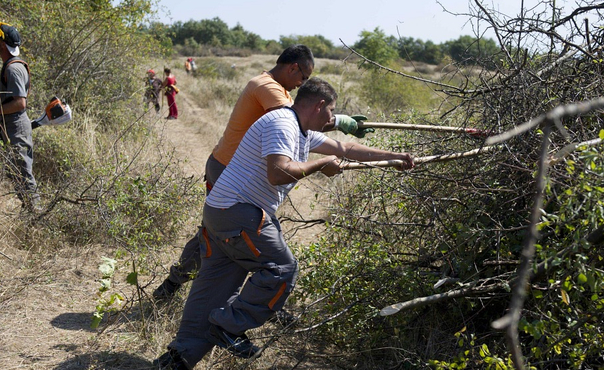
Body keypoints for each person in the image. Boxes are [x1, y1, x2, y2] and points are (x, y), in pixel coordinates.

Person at [154, 77, 414, 369]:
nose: (332, 118)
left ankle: (177, 359)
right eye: (332, 112)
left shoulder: (301, 130)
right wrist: (320, 165)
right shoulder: (282, 124)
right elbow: (278, 173)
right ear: (319, 105)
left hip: (222, 214)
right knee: (281, 269)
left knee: (211, 290)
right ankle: (228, 327)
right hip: (239, 212)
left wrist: (396, 158)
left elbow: (345, 148)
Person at [152, 45, 375, 300]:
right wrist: (339, 122)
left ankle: (257, 295)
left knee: (233, 235)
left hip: (238, 168)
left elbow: (303, 123)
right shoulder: (266, 86)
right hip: (227, 169)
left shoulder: (276, 88)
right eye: (304, 77)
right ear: (293, 67)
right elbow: (297, 117)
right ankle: (178, 284)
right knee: (216, 235)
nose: (303, 84)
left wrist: (337, 125)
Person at [0, 22, 40, 212]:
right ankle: (30, 214)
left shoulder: (13, 69)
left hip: (16, 128)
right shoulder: (9, 65)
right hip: (10, 127)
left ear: (2, 42)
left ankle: (37, 218)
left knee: (24, 178)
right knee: (17, 176)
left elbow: (20, 103)